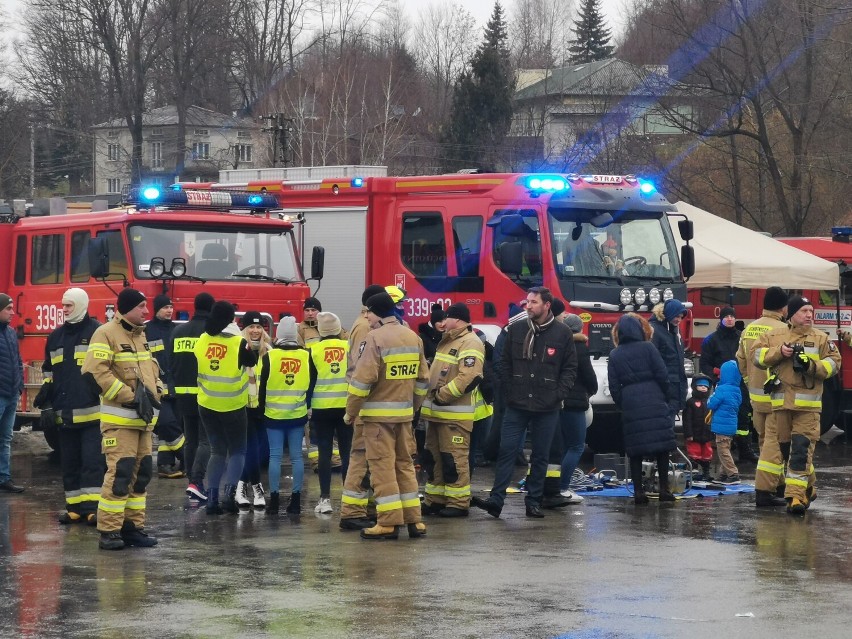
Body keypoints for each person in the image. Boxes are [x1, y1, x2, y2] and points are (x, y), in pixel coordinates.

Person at [471, 286, 577, 519]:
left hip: (546, 405)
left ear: (546, 305)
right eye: (527, 302)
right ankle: (496, 501)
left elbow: (570, 369)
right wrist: (509, 391)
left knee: (540, 455)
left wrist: (558, 394)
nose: (527, 306)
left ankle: (533, 502)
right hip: (517, 404)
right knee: (506, 451)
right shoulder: (516, 329)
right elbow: (502, 363)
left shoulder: (562, 333)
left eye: (533, 302)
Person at [343, 291, 430, 540]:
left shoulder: (374, 338)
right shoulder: (412, 336)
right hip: (404, 417)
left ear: (376, 312)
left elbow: (362, 382)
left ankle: (388, 522)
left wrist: (351, 413)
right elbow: (423, 380)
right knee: (404, 465)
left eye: (368, 312)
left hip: (378, 421)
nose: (366, 317)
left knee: (382, 468)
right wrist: (412, 407)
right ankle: (414, 520)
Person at [82, 288, 163, 550]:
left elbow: (152, 371)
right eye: (141, 306)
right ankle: (109, 531)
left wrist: (159, 391)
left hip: (143, 421)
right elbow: (95, 371)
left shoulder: (141, 336)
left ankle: (132, 528)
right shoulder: (105, 333)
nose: (146, 311)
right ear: (127, 308)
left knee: (141, 476)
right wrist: (129, 396)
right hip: (120, 421)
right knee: (120, 474)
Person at [754, 295, 841, 514]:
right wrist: (778, 353)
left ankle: (795, 498)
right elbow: (756, 356)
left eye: (811, 311)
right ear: (792, 314)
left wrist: (811, 365)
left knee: (801, 450)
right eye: (804, 311)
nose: (809, 315)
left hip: (808, 409)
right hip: (780, 406)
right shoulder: (774, 336)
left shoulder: (821, 339)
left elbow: (834, 364)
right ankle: (809, 486)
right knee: (785, 452)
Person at [38, 288, 103, 523]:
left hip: (92, 413)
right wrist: (46, 400)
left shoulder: (97, 332)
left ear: (81, 304)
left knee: (92, 463)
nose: (64, 310)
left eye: (69, 305)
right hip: (64, 413)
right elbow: (49, 370)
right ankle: (74, 508)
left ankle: (92, 509)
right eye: (63, 305)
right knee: (70, 463)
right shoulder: (55, 337)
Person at [420, 302, 484, 518]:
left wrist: (441, 396)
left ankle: (457, 503)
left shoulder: (470, 343)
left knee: (453, 459)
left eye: (446, 317)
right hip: (437, 414)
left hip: (453, 416)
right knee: (433, 459)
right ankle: (435, 500)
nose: (443, 321)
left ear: (456, 319)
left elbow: (470, 376)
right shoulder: (447, 342)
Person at [194, 301, 257, 515]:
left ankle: (212, 499)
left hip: (207, 404)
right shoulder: (239, 343)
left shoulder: (202, 340)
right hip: (233, 405)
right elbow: (252, 361)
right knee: (238, 451)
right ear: (232, 319)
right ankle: (229, 497)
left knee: (217, 451)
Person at [607, 313, 676, 504]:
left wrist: (623, 403)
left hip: (630, 401)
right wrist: (665, 395)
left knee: (635, 450)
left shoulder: (615, 354)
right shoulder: (649, 347)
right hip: (654, 396)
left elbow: (614, 386)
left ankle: (638, 492)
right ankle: (664, 489)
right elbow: (663, 374)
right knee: (662, 447)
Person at [736, 286, 789, 507]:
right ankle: (765, 492)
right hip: (777, 398)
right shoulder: (784, 330)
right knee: (774, 446)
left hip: (756, 398)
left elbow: (741, 359)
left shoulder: (750, 329)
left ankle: (779, 486)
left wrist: (750, 383)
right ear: (783, 307)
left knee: (765, 443)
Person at [339, 284, 386, 531]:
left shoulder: (366, 325)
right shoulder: (364, 328)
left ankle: (363, 507)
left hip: (366, 402)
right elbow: (361, 370)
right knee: (359, 457)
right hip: (364, 403)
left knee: (366, 459)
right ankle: (352, 512)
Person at [260, 317, 309, 515]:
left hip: (273, 415)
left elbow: (263, 388)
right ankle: (296, 501)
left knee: (275, 456)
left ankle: (274, 501)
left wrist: (261, 410)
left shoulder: (269, 358)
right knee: (297, 457)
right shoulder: (306, 355)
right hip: (297, 413)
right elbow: (310, 384)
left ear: (278, 335)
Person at [170, 292, 214, 502]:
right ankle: (196, 482)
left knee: (191, 441)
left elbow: (171, 362)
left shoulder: (178, 331)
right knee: (206, 442)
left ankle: (191, 482)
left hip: (183, 394)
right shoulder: (211, 334)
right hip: (205, 394)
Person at [308, 311, 352, 514]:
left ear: (321, 330)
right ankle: (350, 497)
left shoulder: (314, 350)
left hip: (322, 408)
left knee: (325, 453)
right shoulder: (349, 347)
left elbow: (310, 381)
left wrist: (307, 405)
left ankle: (325, 499)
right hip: (346, 406)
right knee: (347, 452)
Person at [701, 306, 757, 463]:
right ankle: (727, 448)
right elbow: (705, 363)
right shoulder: (711, 340)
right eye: (726, 316)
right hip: (722, 385)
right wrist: (714, 376)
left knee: (744, 415)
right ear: (721, 319)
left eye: (732, 316)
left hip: (741, 384)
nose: (730, 319)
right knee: (724, 416)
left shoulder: (741, 338)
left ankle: (744, 449)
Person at [556, 313, 598, 504]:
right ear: (580, 329)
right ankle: (563, 487)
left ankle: (555, 485)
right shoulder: (579, 347)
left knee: (565, 446)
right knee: (577, 446)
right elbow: (589, 376)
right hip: (575, 402)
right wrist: (592, 390)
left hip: (558, 402)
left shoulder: (558, 344)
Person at [145, 294, 186, 479]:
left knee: (169, 428)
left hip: (175, 388)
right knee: (168, 425)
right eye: (165, 307)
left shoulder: (177, 330)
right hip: (156, 389)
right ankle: (188, 457)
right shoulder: (146, 330)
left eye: (171, 307)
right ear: (156, 309)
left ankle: (165, 464)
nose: (169, 311)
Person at [236, 310, 271, 510]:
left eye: (259, 327)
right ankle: (255, 489)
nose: (256, 330)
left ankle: (241, 486)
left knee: (261, 450)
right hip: (244, 405)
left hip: (263, 406)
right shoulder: (240, 347)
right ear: (245, 329)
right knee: (250, 447)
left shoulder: (269, 350)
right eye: (252, 327)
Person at [0, 293, 25, 494]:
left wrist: (19, 386)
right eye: (8, 309)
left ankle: (4, 478)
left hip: (10, 394)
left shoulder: (10, 332)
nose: (12, 312)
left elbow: (17, 360)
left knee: (6, 438)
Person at [649, 299, 689, 419]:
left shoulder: (674, 331)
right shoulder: (655, 330)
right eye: (677, 316)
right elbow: (652, 360)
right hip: (663, 387)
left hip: (674, 386)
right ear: (669, 313)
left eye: (681, 317)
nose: (679, 320)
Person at [707, 361, 743, 484]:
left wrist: (711, 396)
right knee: (726, 450)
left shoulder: (721, 389)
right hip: (731, 426)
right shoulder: (737, 390)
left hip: (721, 427)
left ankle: (733, 474)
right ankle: (723, 474)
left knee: (723, 452)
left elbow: (711, 404)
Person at [682, 374, 714, 481]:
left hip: (706, 434)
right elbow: (687, 420)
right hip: (694, 434)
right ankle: (692, 472)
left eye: (706, 386)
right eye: (700, 386)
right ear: (695, 386)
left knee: (707, 454)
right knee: (694, 454)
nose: (703, 388)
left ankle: (706, 473)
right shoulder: (690, 402)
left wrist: (712, 432)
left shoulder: (709, 401)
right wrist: (688, 434)